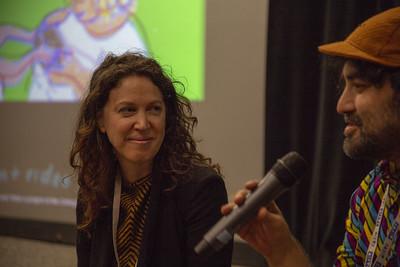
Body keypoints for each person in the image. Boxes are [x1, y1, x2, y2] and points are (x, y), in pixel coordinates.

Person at [222, 7, 400, 267]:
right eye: (344, 87)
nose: (342, 105)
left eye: (359, 87)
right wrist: (280, 249)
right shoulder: (373, 192)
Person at [70, 52, 232, 267]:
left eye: (154, 109)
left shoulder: (201, 189)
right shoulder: (94, 188)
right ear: (101, 120)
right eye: (128, 110)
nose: (143, 123)